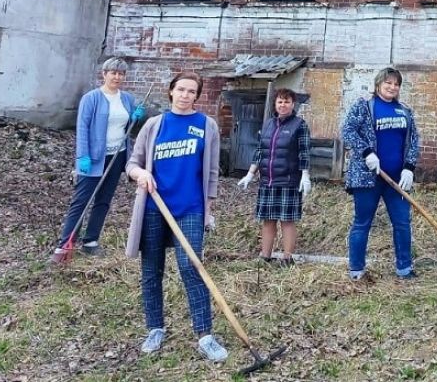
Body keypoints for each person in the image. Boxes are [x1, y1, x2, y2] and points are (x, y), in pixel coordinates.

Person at [124, 71, 228, 362]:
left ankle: (205, 335)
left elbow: (211, 173)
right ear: (171, 92)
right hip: (155, 207)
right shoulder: (154, 125)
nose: (185, 95)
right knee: (151, 270)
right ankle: (155, 328)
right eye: (180, 89)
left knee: (191, 267)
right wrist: (141, 173)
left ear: (197, 95)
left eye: (191, 91)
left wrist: (208, 210)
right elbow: (132, 163)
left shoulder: (206, 126)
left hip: (190, 208)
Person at [50, 57, 145, 263]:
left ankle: (90, 241)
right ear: (104, 74)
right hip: (93, 158)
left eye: (121, 74)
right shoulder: (91, 98)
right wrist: (82, 156)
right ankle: (65, 244)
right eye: (113, 73)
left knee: (103, 201)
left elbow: (127, 126)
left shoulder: (127, 98)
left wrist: (135, 117)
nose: (117, 77)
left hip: (117, 156)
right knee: (81, 201)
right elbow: (82, 127)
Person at [341, 67, 421, 280]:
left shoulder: (404, 111)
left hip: (396, 180)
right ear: (378, 85)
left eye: (396, 84)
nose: (392, 87)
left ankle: (404, 268)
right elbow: (348, 130)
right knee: (362, 222)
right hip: (368, 178)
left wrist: (409, 168)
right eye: (388, 83)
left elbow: (414, 141)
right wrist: (367, 152)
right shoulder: (365, 107)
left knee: (402, 222)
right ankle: (356, 270)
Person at [237, 87, 313, 265]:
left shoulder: (299, 125)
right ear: (275, 103)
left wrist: (305, 175)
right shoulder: (268, 124)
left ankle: (287, 258)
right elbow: (260, 151)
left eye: (287, 102)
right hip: (267, 181)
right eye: (280, 101)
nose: (283, 105)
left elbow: (304, 153)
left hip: (288, 181)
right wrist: (250, 174)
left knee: (287, 221)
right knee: (268, 220)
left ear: (293, 104)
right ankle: (265, 257)